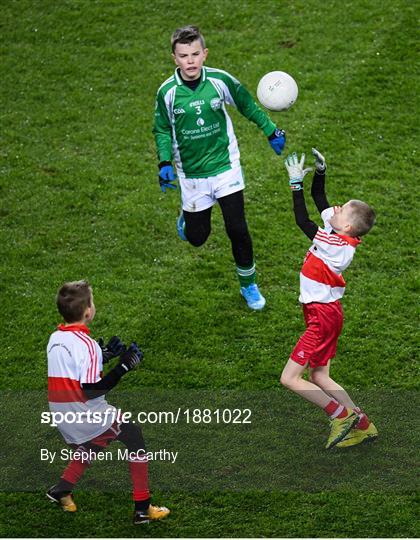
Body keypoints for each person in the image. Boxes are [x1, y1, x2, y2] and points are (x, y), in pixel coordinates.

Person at [153, 25, 287, 310]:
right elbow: (162, 130)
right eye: (183, 55)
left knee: (237, 228)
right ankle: (187, 221)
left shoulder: (220, 80)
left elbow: (246, 104)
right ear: (174, 58)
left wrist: (271, 130)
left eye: (195, 54)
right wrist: (164, 162)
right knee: (198, 238)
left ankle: (248, 285)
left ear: (205, 54)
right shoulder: (167, 92)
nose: (190, 61)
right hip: (191, 175)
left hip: (226, 167)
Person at [46, 280, 170, 524]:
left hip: (61, 413)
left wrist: (102, 357)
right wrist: (124, 366)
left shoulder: (54, 338)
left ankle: (61, 489)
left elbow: (73, 369)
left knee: (99, 439)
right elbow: (92, 390)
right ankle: (143, 508)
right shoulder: (88, 346)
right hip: (85, 413)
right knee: (133, 435)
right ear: (88, 311)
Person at [280, 149, 378, 449]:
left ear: (346, 226)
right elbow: (321, 199)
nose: (335, 208)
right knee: (320, 375)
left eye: (342, 210)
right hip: (327, 313)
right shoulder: (339, 233)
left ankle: (341, 415)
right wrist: (320, 172)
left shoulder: (336, 246)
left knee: (290, 379)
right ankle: (362, 424)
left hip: (320, 318)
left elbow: (302, 220)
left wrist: (295, 184)